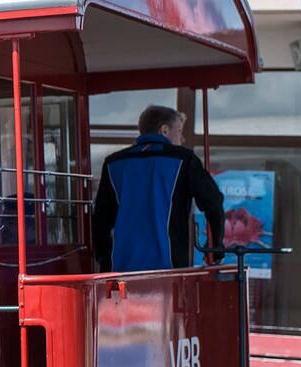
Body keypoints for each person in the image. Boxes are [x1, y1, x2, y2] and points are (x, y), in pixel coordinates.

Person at [91, 105, 224, 273]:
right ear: (164, 130)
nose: (182, 138)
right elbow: (214, 201)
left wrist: (103, 257)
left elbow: (101, 219)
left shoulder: (113, 163)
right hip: (169, 268)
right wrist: (214, 248)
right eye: (179, 131)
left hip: (120, 268)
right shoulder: (184, 160)